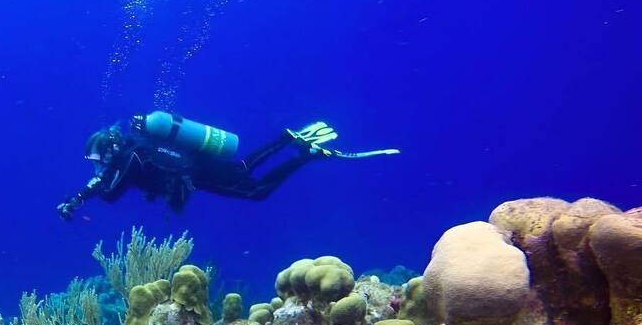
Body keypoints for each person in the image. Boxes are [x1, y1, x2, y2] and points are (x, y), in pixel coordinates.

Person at [57, 114, 398, 219]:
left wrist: (82, 197)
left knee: (259, 191)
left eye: (100, 159)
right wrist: (79, 197)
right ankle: (285, 139)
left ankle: (307, 154)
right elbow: (106, 183)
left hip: (197, 173)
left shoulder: (127, 160)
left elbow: (112, 193)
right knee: (243, 168)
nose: (99, 167)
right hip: (199, 165)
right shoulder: (134, 151)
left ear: (111, 149)